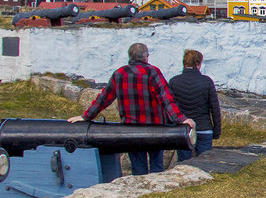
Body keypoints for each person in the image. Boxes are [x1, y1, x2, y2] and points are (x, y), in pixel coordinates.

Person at [68, 42, 194, 175]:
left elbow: (104, 98)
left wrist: (86, 116)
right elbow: (166, 98)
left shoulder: (119, 73)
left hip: (131, 129)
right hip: (155, 128)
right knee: (157, 166)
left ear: (130, 56)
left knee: (138, 168)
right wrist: (181, 119)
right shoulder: (152, 72)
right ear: (146, 57)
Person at [168, 49, 221, 161]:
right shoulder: (206, 81)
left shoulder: (174, 81)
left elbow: (170, 106)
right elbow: (215, 108)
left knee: (184, 163)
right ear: (198, 64)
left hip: (183, 128)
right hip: (204, 127)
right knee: (205, 162)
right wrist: (216, 131)